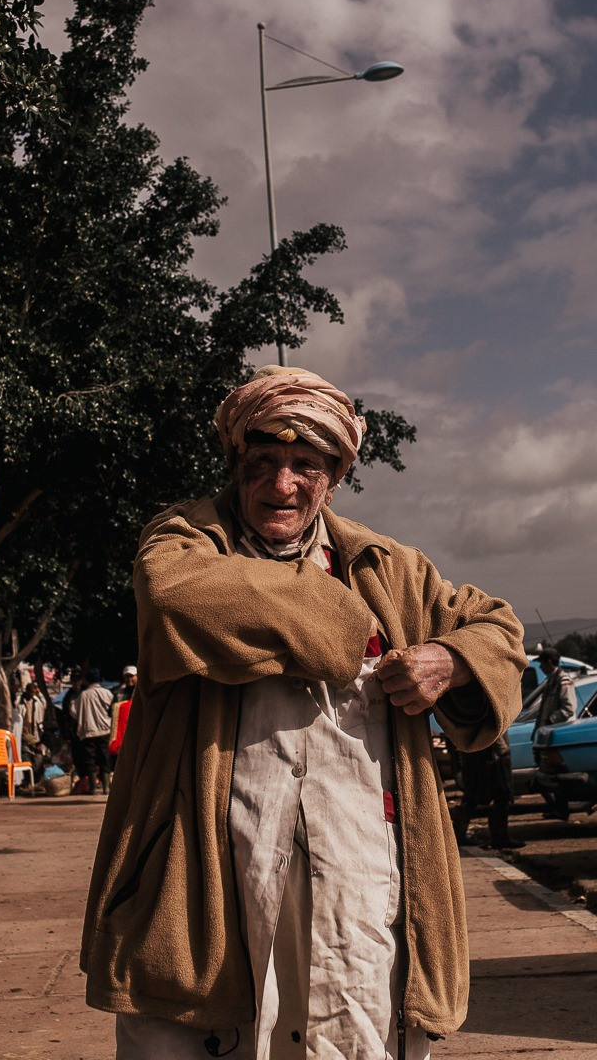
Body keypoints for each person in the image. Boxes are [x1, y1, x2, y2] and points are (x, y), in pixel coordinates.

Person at [80, 365, 525, 1060]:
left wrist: (449, 658)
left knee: (351, 1021)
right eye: (264, 462)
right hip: (210, 862)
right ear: (237, 463)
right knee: (200, 1025)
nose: (282, 484)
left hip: (361, 863)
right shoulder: (183, 542)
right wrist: (352, 626)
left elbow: (496, 628)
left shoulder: (390, 568)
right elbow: (176, 597)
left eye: (304, 465)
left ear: (336, 472)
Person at [451, 731, 522, 850]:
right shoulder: (483, 713)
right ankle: (499, 837)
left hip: (473, 754)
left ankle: (459, 835)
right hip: (487, 756)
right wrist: (503, 750)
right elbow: (493, 728)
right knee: (501, 795)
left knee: (473, 797)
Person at [533, 647, 578, 821]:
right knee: (547, 777)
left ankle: (561, 809)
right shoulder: (552, 680)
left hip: (558, 736)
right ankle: (559, 808)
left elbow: (568, 709)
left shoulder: (563, 680)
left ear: (549, 663)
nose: (541, 667)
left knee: (550, 777)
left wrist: (550, 722)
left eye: (542, 663)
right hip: (548, 737)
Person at [70, 667, 114, 795]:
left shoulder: (83, 695)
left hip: (88, 731)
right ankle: (106, 787)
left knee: (90, 760)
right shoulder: (107, 693)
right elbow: (113, 710)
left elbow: (74, 711)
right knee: (105, 758)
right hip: (104, 730)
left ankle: (93, 788)